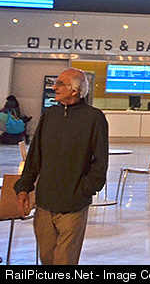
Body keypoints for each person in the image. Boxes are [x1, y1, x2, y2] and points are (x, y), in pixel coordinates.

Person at [15, 68, 108, 266]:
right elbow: (35, 156)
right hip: (45, 203)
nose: (54, 87)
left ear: (75, 90)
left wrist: (84, 189)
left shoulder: (94, 117)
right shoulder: (50, 114)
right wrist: (24, 187)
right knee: (47, 258)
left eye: (60, 83)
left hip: (73, 204)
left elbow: (100, 162)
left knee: (65, 261)